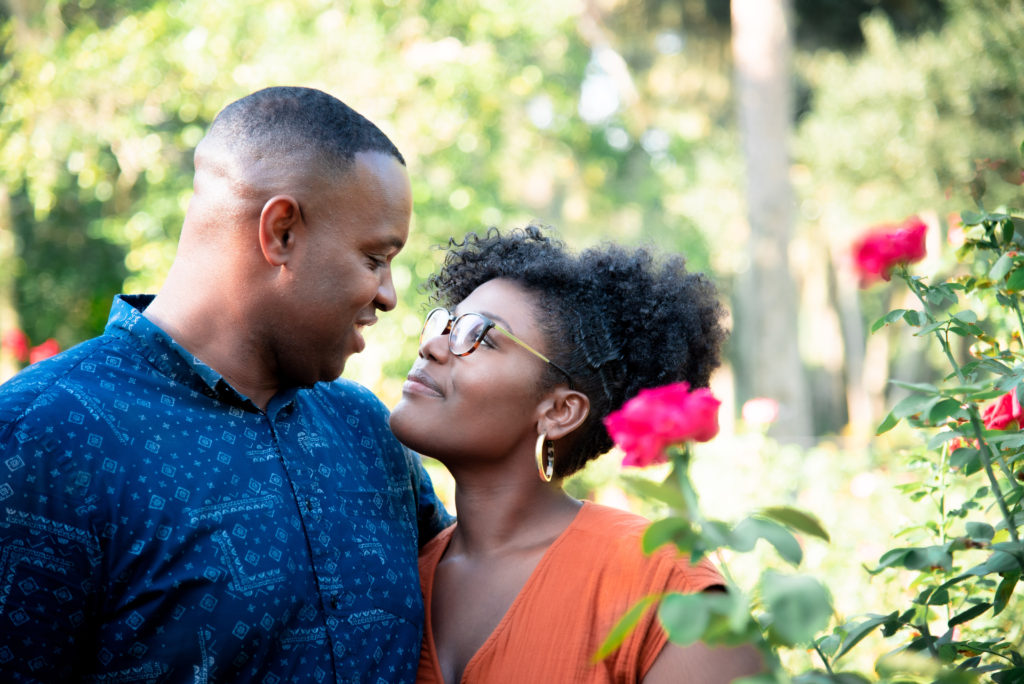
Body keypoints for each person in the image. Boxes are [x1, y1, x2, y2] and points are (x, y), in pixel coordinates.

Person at [0, 87, 451, 682]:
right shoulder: (40, 435)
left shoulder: (366, 431)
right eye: (375, 258)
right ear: (281, 232)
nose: (389, 295)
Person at [389, 225, 762, 683]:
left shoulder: (665, 587)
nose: (431, 345)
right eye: (445, 323)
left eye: (479, 337)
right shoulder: (395, 576)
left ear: (560, 412)